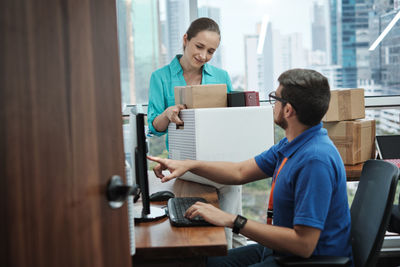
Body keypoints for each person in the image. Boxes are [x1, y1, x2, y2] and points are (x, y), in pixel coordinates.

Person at [148, 69, 353, 266]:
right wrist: (188, 165)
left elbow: (304, 244)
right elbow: (239, 172)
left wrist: (231, 220)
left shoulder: (314, 161)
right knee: (205, 262)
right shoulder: (292, 144)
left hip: (305, 260)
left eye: (275, 99)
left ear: (288, 110)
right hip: (280, 251)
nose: (273, 105)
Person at [147, 17, 246, 249]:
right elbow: (154, 128)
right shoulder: (160, 77)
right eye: (199, 47)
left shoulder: (221, 77)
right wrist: (168, 113)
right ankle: (230, 251)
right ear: (185, 40)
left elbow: (230, 120)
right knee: (231, 184)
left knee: (233, 180)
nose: (203, 56)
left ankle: (231, 249)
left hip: (216, 156)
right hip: (184, 162)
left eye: (211, 51)